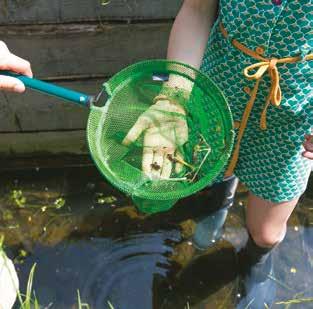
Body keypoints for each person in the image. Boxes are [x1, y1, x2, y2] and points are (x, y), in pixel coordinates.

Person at [124, 0, 313, 307]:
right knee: (210, 166)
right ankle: (219, 201)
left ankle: (256, 262)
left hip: (295, 115)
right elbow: (197, 10)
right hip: (220, 87)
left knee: (265, 231)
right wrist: (174, 96)